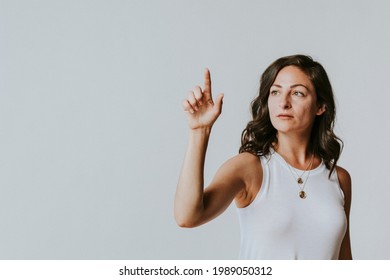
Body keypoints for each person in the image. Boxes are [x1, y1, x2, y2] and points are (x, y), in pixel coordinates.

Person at [174, 54, 352, 260]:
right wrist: (200, 131)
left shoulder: (339, 178)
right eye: (275, 91)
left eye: (298, 93)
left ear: (321, 106)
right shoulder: (249, 167)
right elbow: (187, 217)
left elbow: (344, 260)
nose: (284, 102)